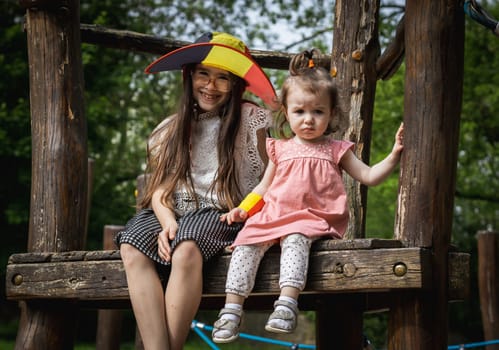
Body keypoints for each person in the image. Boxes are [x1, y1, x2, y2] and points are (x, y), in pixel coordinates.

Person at [211, 48, 404, 343]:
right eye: (299, 111)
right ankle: (231, 310)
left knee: (296, 240)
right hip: (273, 215)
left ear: (332, 114)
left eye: (318, 111)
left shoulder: (335, 149)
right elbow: (263, 187)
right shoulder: (280, 148)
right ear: (286, 113)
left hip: (310, 219)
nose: (309, 119)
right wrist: (243, 209)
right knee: (245, 245)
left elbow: (369, 176)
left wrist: (393, 155)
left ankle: (287, 304)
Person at [115, 32, 277, 350]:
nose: (210, 86)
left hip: (225, 215)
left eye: (222, 78)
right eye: (203, 73)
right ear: (189, 75)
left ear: (235, 84)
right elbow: (161, 189)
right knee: (132, 243)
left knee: (186, 246)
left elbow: (268, 179)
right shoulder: (169, 129)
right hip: (174, 212)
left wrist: (254, 218)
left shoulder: (251, 119)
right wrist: (166, 223)